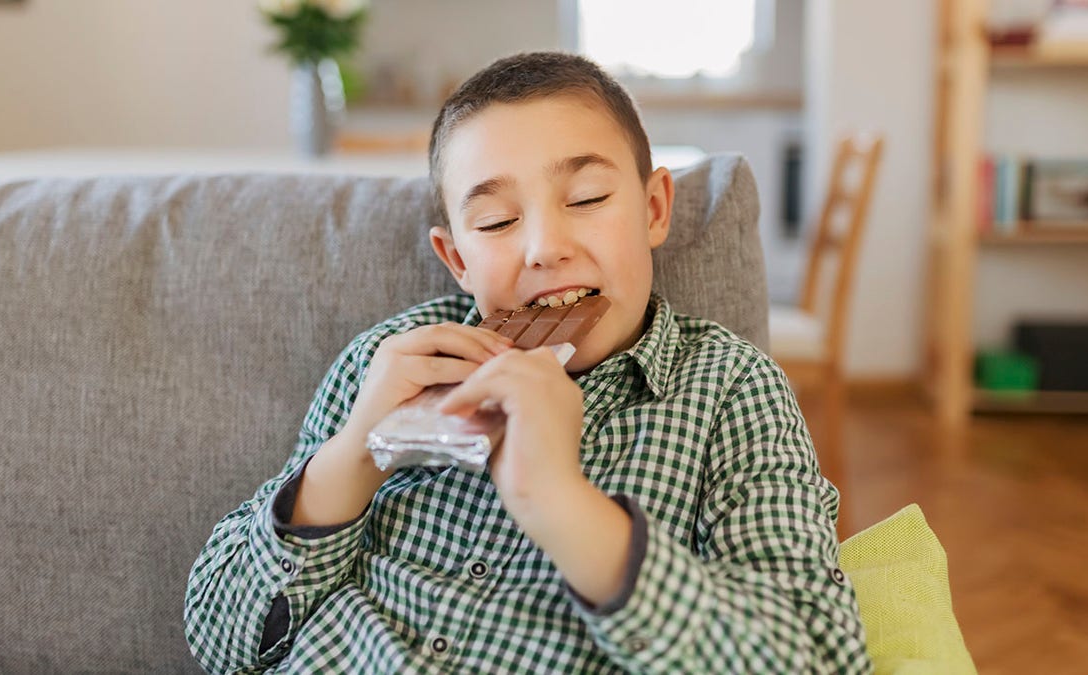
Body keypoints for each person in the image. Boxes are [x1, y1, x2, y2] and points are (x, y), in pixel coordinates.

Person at [184, 51, 871, 674]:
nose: (544, 247)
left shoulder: (730, 390)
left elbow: (817, 657)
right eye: (496, 221)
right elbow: (220, 641)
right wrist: (354, 455)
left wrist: (562, 502)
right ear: (456, 258)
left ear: (654, 208)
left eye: (587, 199)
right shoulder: (388, 364)